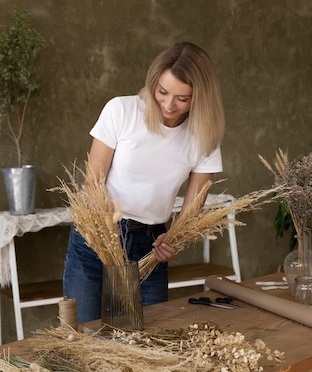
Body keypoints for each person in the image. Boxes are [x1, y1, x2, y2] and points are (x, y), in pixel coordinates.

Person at [63, 41, 225, 324]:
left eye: (182, 99)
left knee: (145, 343)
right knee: (83, 337)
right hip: (97, 236)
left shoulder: (204, 138)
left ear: (200, 98)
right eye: (162, 92)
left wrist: (175, 240)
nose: (168, 104)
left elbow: (192, 210)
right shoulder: (121, 111)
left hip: (151, 247)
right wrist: (107, 238)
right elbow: (92, 184)